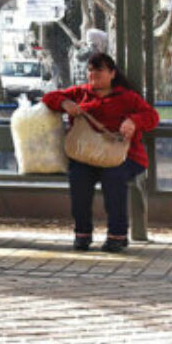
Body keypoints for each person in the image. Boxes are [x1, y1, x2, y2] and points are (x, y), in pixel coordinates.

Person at [42, 52, 159, 253]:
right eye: (90, 70)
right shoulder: (80, 93)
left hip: (124, 156)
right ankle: (82, 234)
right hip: (86, 155)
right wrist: (64, 103)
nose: (93, 74)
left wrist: (133, 121)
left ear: (112, 73)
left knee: (113, 176)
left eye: (99, 70)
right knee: (78, 177)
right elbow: (49, 97)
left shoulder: (127, 97)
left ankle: (117, 234)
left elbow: (152, 116)